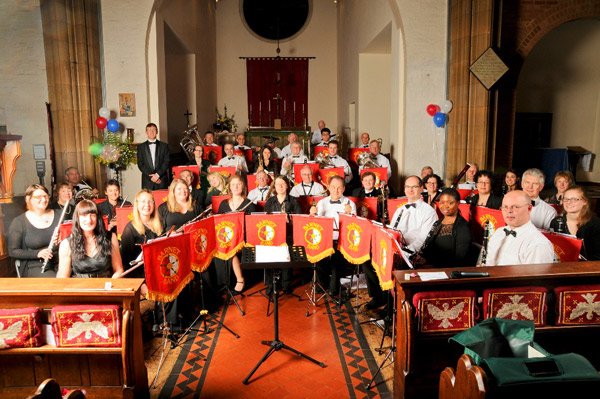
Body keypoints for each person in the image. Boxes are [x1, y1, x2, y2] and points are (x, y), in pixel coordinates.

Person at [309, 176, 356, 295]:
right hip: (324, 239)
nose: (336, 191)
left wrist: (350, 214)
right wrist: (312, 215)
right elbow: (314, 225)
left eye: (339, 188)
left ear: (344, 189)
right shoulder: (321, 202)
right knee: (315, 255)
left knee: (336, 258)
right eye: (333, 187)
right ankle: (322, 284)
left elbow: (355, 228)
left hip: (341, 240)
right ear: (328, 187)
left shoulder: (350, 204)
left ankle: (334, 287)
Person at [484, 190, 554, 266]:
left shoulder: (538, 244)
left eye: (515, 207)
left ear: (529, 208)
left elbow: (535, 277)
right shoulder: (499, 232)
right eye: (505, 207)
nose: (509, 211)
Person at [57, 200, 124, 278]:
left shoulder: (111, 237)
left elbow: (119, 269)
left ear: (97, 217)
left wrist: (111, 284)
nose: (89, 220)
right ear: (77, 218)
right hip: (79, 288)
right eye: (84, 215)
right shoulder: (66, 244)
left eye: (92, 215)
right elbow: (63, 277)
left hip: (106, 287)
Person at [8, 184, 61, 277]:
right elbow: (13, 251)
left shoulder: (59, 214)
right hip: (37, 265)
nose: (44, 200)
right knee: (55, 284)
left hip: (63, 260)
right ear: (28, 199)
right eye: (38, 197)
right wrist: (37, 253)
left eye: (45, 196)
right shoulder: (19, 222)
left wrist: (63, 239)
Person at [217, 175, 256, 294]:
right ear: (229, 187)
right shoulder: (223, 204)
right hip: (227, 237)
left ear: (243, 186)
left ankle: (240, 279)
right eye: (233, 184)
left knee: (231, 249)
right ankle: (223, 283)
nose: (236, 187)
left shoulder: (249, 204)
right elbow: (219, 224)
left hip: (243, 239)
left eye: (238, 184)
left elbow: (252, 227)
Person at [263, 175, 302, 295]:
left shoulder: (293, 201)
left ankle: (286, 284)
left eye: (282, 184)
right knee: (269, 256)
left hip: (288, 235)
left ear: (287, 186)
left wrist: (289, 220)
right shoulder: (270, 201)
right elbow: (264, 220)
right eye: (277, 184)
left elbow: (300, 221)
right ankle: (271, 284)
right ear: (274, 186)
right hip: (273, 235)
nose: (280, 186)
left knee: (287, 256)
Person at [420, 188, 473, 268]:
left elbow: (460, 260)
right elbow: (427, 249)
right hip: (431, 269)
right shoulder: (437, 223)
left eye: (450, 203)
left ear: (458, 203)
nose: (445, 206)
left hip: (448, 272)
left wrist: (432, 267)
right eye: (442, 202)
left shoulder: (463, 227)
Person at [389, 176, 438, 256]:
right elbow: (392, 232)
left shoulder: (429, 212)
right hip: (396, 251)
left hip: (414, 255)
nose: (410, 190)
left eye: (414, 187)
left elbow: (422, 241)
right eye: (407, 186)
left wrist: (403, 253)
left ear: (421, 189)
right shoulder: (400, 209)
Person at [120, 189, 163, 280]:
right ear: (137, 205)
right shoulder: (129, 230)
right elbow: (126, 263)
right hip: (141, 278)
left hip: (159, 274)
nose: (147, 205)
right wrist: (141, 285)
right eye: (143, 201)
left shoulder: (160, 224)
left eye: (150, 201)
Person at [550, 186, 600, 261]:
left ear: (585, 202)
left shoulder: (595, 223)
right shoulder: (556, 222)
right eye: (566, 199)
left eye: (574, 199)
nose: (569, 202)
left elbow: (597, 256)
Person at [137, 123, 170, 190]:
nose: (151, 132)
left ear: (157, 131)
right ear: (146, 132)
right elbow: (140, 164)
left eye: (153, 130)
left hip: (161, 180)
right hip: (147, 181)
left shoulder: (164, 146)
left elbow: (166, 162)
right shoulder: (141, 147)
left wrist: (157, 175)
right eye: (149, 130)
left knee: (163, 200)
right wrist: (151, 177)